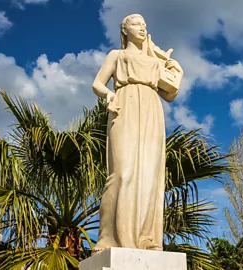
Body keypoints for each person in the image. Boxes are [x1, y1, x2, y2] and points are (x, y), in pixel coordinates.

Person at [91, 13, 183, 253]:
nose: (142, 28)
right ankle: (108, 239)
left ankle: (146, 239)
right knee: (122, 173)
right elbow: (97, 84)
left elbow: (172, 89)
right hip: (124, 105)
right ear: (125, 30)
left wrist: (162, 58)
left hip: (152, 108)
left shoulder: (153, 62)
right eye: (136, 24)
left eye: (144, 25)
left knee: (149, 176)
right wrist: (108, 95)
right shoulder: (117, 55)